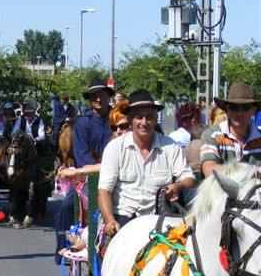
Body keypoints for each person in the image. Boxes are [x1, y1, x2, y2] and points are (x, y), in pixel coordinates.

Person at [98, 90, 196, 236]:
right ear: (131, 120)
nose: (144, 122)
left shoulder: (170, 146)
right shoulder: (115, 148)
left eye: (149, 117)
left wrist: (178, 186)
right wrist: (110, 220)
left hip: (160, 221)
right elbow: (104, 191)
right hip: (124, 220)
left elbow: (190, 179)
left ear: (156, 119)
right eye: (139, 117)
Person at [54, 79, 113, 259]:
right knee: (66, 206)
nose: (98, 99)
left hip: (115, 174)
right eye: (94, 96)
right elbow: (81, 155)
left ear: (107, 96)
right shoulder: (83, 123)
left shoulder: (116, 119)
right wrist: (96, 171)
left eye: (101, 95)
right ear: (90, 100)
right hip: (88, 176)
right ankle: (62, 248)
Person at [57, 99, 130, 180]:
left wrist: (77, 172)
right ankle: (56, 152)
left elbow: (110, 167)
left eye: (124, 126)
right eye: (114, 128)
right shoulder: (112, 147)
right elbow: (107, 164)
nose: (118, 131)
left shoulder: (137, 147)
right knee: (55, 134)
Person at [201, 81, 261, 177]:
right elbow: (209, 170)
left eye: (245, 107)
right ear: (227, 110)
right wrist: (251, 171)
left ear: (253, 110)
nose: (239, 112)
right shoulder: (212, 135)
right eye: (234, 107)